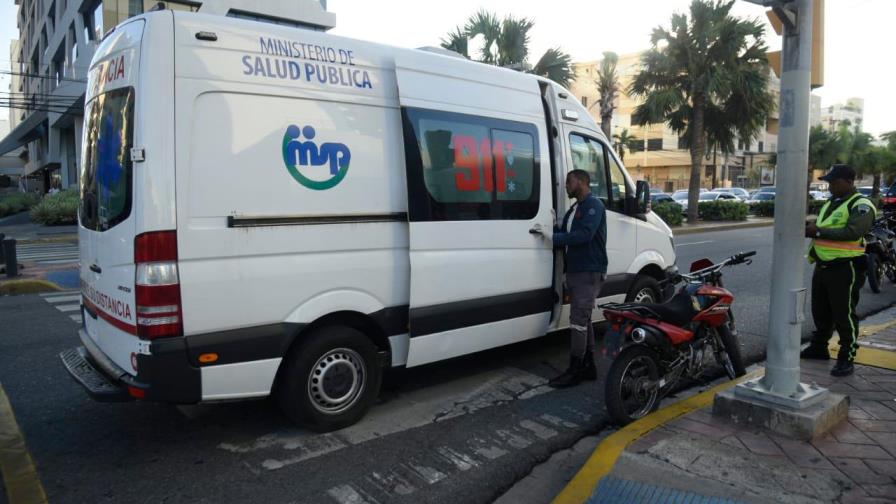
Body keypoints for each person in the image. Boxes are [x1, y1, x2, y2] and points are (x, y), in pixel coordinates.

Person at [533, 169, 608, 388]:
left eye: (569, 181)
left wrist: (553, 237)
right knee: (584, 320)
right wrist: (551, 226)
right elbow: (565, 231)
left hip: (589, 270)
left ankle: (576, 370)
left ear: (582, 182)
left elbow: (585, 235)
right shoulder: (575, 209)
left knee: (577, 321)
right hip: (576, 271)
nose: (566, 185)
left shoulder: (594, 206)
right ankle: (589, 366)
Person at [801, 165, 876, 377]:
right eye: (829, 182)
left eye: (834, 182)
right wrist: (812, 225)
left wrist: (818, 231)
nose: (830, 186)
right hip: (823, 264)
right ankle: (819, 347)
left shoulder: (861, 205)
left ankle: (846, 357)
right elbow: (828, 225)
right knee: (821, 311)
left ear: (849, 182)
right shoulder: (832, 202)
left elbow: (853, 232)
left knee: (844, 314)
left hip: (845, 267)